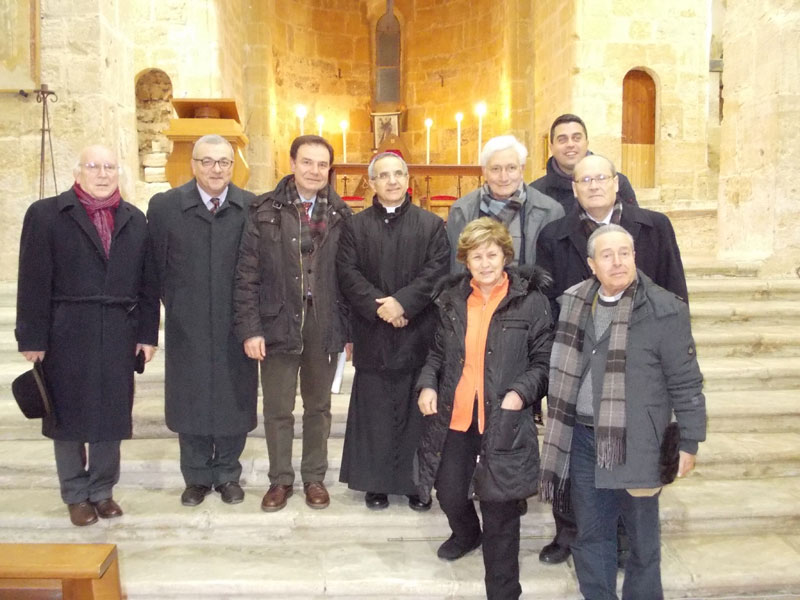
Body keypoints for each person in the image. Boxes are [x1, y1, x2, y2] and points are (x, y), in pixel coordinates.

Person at [535, 154, 688, 565]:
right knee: (574, 450)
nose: (594, 185)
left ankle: (624, 538)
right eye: (585, 180)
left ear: (617, 182)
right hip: (578, 361)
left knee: (629, 450)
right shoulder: (554, 235)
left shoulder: (654, 227)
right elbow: (547, 304)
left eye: (602, 177)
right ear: (574, 188)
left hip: (637, 363)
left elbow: (675, 291)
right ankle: (570, 532)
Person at [540, 224, 706, 599]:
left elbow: (686, 380)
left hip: (640, 440)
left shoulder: (665, 309)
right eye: (607, 255)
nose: (617, 262)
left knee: (642, 540)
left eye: (624, 253)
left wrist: (690, 441)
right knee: (591, 533)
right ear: (591, 264)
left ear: (635, 257)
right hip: (582, 437)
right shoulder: (574, 301)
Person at [16, 145, 159, 526]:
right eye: (93, 166)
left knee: (111, 413)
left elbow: (148, 283)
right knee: (65, 414)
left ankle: (103, 489)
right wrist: (32, 337)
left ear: (118, 172)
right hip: (66, 328)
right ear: (78, 171)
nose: (102, 173)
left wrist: (147, 334)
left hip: (117, 328)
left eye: (109, 166)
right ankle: (76, 493)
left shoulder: (134, 219)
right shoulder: (47, 214)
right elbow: (32, 279)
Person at [416, 218, 553, 599]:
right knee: (449, 492)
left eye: (492, 254)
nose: (485, 262)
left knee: (501, 511)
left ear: (505, 255)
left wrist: (519, 394)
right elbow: (438, 354)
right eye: (477, 256)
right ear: (466, 261)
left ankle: (504, 591)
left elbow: (543, 362)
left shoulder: (532, 301)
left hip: (504, 418)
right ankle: (466, 533)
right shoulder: (452, 300)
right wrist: (427, 383)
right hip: (457, 416)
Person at [233, 135, 351, 512]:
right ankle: (280, 480)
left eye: (322, 165)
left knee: (318, 407)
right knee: (278, 407)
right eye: (307, 162)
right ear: (293, 163)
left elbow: (348, 278)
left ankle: (314, 477)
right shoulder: (263, 209)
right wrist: (251, 329)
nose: (314, 171)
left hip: (323, 322)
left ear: (329, 170)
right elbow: (247, 274)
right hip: (277, 320)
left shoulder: (342, 214)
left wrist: (347, 331)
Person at [147, 134, 258, 507]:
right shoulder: (165, 207)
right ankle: (195, 476)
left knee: (233, 397)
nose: (216, 169)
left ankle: (227, 473)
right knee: (189, 398)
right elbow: (154, 269)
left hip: (236, 322)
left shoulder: (251, 207)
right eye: (208, 161)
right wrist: (176, 305)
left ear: (234, 166)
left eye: (224, 162)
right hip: (187, 323)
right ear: (193, 165)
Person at [336, 151, 450, 511]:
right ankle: (376, 483)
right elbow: (348, 274)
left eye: (398, 173)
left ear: (408, 178)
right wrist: (381, 308)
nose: (392, 181)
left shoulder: (431, 225)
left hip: (418, 331)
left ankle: (418, 484)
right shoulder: (355, 227)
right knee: (376, 413)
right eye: (383, 175)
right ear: (372, 182)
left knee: (417, 413)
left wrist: (403, 304)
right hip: (374, 334)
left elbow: (436, 272)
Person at [446, 134, 563, 274]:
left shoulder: (549, 211)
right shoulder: (461, 211)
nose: (504, 177)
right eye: (495, 169)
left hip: (531, 294)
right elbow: (456, 269)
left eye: (511, 168)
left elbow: (555, 271)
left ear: (522, 169)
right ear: (484, 171)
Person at [531, 114, 637, 213]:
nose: (570, 144)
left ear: (587, 143)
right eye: (562, 140)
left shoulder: (615, 183)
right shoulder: (536, 192)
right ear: (551, 147)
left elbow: (636, 226)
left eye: (577, 138)